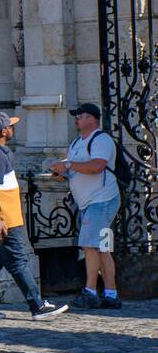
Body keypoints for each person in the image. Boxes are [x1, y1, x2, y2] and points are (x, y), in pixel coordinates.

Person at [0, 112, 66, 320]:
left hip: (2, 217)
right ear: (4, 130)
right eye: (11, 126)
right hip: (3, 219)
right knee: (18, 261)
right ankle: (37, 305)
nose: (13, 128)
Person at [49, 103, 123, 309]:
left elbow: (97, 166)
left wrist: (69, 165)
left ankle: (90, 292)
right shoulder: (75, 143)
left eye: (79, 116)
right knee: (102, 248)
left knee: (89, 245)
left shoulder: (102, 140)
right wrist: (63, 173)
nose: (76, 119)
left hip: (101, 201)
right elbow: (77, 170)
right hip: (90, 203)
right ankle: (111, 294)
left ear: (91, 119)